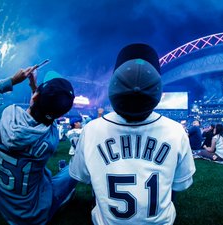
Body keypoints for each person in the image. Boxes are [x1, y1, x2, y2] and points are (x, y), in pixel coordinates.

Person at [69, 43, 196, 225]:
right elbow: (180, 185)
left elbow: (83, 177)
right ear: (156, 89)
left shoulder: (91, 130)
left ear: (115, 86)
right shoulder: (176, 130)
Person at [0, 67, 78, 225]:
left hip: (2, 204)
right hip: (34, 215)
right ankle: (61, 201)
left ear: (36, 96)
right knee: (74, 167)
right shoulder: (52, 137)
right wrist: (36, 89)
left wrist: (13, 80)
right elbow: (44, 115)